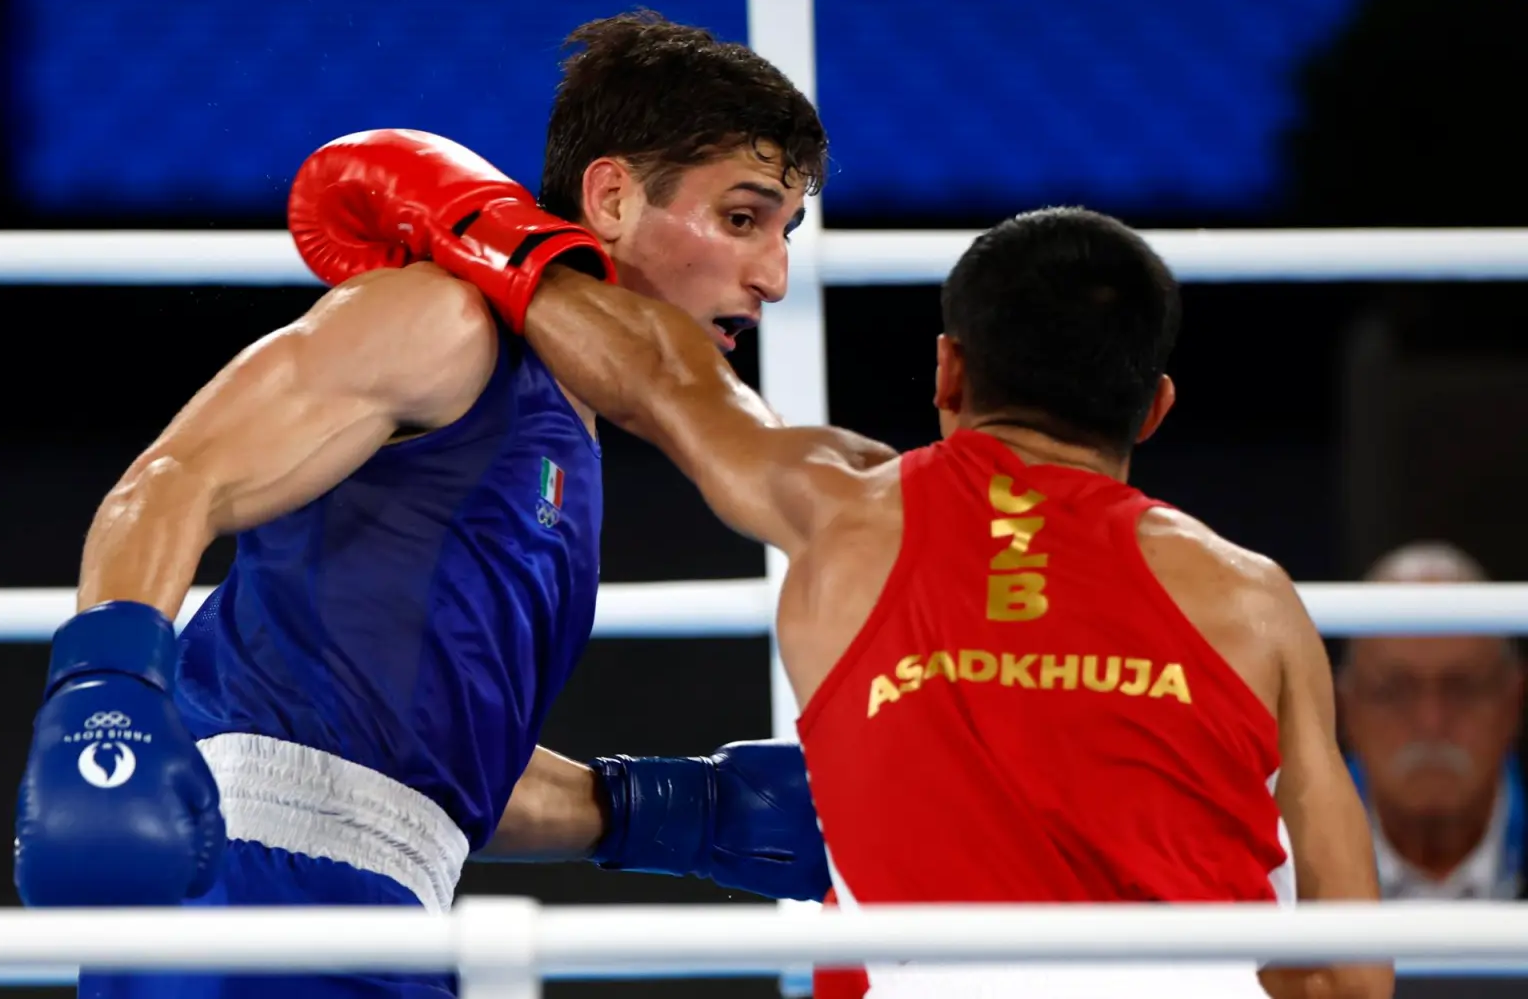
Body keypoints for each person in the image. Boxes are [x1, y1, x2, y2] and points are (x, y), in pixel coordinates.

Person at [14, 13, 833, 999]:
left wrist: (677, 809)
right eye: (743, 220)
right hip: (252, 901)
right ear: (612, 196)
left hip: (388, 908)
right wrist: (106, 699)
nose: (774, 276)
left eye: (785, 232)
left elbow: (404, 784)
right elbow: (176, 481)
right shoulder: (445, 322)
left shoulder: (561, 434)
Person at [480, 207, 1396, 998]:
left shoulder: (845, 515)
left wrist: (470, 228)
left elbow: (658, 376)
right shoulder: (1256, 600)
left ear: (948, 372)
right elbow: (1351, 974)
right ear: (1153, 408)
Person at [1339, 541, 1525, 900]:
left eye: (1463, 688)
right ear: (1346, 709)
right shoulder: (1280, 861)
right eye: (1394, 691)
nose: (1431, 722)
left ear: (1513, 702)